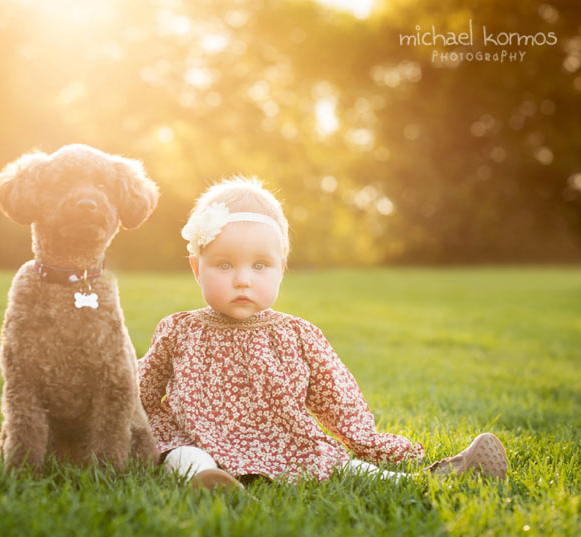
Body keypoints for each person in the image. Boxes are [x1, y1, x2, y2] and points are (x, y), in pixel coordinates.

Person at [137, 176, 506, 489]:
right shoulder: (180, 329)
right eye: (224, 264)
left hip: (284, 441)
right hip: (198, 435)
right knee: (181, 456)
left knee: (337, 463)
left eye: (260, 265)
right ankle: (210, 483)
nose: (243, 279)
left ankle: (429, 478)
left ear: (281, 268)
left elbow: (338, 398)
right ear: (197, 268)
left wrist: (372, 443)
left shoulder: (298, 335)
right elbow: (140, 388)